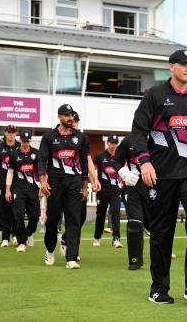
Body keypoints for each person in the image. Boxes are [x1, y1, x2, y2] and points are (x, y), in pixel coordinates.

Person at [131, 49, 187, 306]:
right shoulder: (154, 95)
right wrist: (144, 161)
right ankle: (159, 288)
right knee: (161, 233)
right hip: (161, 176)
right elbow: (138, 131)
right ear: (171, 67)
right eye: (184, 64)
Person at [39, 104, 92, 269]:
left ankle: (71, 258)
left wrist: (85, 186)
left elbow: (84, 162)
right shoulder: (49, 137)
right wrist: (42, 181)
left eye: (72, 116)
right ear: (59, 117)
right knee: (53, 219)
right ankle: (49, 251)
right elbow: (42, 160)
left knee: (74, 219)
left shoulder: (81, 137)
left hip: (74, 182)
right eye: (67, 115)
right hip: (55, 182)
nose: (71, 118)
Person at [59, 111, 100, 261]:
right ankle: (70, 250)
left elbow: (88, 160)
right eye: (73, 120)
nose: (74, 123)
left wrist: (94, 178)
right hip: (61, 183)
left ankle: (66, 240)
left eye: (77, 121)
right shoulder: (58, 137)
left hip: (78, 183)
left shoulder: (81, 139)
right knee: (64, 216)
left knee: (80, 217)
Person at [110, 135, 147, 270]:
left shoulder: (160, 137)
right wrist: (123, 172)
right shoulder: (129, 140)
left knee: (155, 225)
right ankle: (135, 260)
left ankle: (160, 257)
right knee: (135, 223)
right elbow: (115, 160)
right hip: (133, 186)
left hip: (155, 187)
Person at [5, 130, 40, 253]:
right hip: (18, 189)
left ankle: (28, 233)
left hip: (33, 189)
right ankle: (21, 242)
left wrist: (43, 185)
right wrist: (8, 190)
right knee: (18, 216)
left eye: (28, 141)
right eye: (24, 141)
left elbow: (41, 172)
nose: (25, 143)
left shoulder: (36, 153)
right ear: (20, 140)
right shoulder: (14, 154)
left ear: (30, 140)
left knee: (35, 216)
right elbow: (10, 172)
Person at [0, 125, 20, 245]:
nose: (11, 134)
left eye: (13, 132)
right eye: (9, 132)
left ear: (15, 133)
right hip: (1, 182)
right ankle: (0, 229)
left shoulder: (19, 146)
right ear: (5, 133)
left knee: (14, 211)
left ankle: (13, 234)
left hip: (16, 182)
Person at [92, 135, 123, 249]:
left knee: (115, 214)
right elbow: (93, 169)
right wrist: (95, 181)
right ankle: (97, 237)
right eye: (111, 143)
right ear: (107, 143)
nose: (113, 145)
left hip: (116, 190)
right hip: (103, 191)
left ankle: (116, 239)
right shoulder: (100, 156)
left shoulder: (120, 156)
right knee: (100, 214)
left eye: (115, 143)